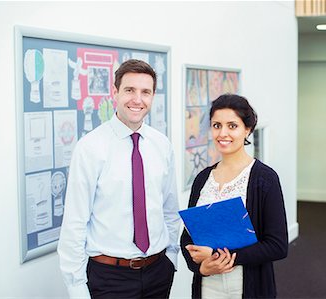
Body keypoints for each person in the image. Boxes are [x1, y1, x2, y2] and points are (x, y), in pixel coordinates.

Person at [58, 59, 180, 299]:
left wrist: (171, 259)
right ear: (115, 92)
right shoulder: (90, 148)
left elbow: (169, 209)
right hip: (109, 278)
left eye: (145, 92)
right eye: (129, 90)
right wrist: (76, 287)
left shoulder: (162, 145)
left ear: (153, 96)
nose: (137, 99)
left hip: (158, 272)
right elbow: (75, 222)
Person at [180, 94, 289, 299]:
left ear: (247, 129)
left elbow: (277, 245)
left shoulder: (264, 179)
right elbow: (187, 237)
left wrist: (216, 255)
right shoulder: (202, 179)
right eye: (216, 125)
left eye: (232, 126)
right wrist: (201, 268)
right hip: (207, 285)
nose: (223, 133)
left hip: (248, 285)